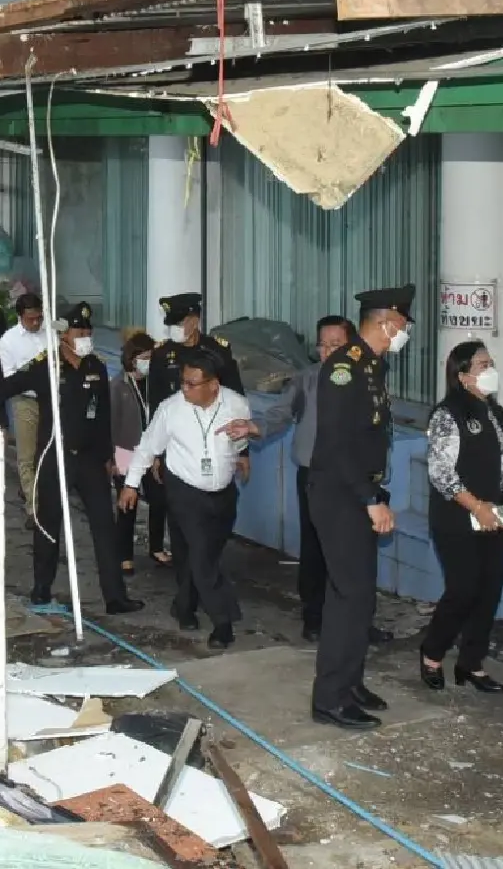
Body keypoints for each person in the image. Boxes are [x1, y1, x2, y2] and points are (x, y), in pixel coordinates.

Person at [308, 284, 414, 730]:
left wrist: (375, 491)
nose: (405, 333)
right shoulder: (344, 369)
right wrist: (370, 499)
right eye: (403, 325)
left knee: (357, 598)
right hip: (339, 495)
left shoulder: (371, 367)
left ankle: (349, 683)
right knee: (349, 597)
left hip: (356, 491)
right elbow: (336, 444)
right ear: (387, 322)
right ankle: (330, 698)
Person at [0, 303, 145, 615]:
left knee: (104, 528)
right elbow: (8, 386)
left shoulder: (97, 366)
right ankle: (41, 590)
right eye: (80, 331)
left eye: (88, 331)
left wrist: (109, 457)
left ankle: (115, 597)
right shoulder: (46, 366)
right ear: (64, 334)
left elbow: (104, 415)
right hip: (56, 457)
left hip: (91, 460)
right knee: (47, 525)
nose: (86, 336)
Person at [261, 316, 391, 646]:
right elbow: (280, 414)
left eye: (336, 344)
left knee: (359, 556)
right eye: (323, 344)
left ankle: (359, 620)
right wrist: (254, 429)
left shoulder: (368, 376)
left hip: (360, 480)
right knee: (317, 548)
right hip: (318, 478)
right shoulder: (307, 380)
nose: (328, 350)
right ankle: (314, 616)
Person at [121, 347, 255, 650]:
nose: (185, 389)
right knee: (203, 555)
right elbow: (147, 447)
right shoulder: (172, 409)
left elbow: (241, 441)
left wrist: (242, 453)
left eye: (191, 384)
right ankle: (223, 622)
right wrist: (130, 485)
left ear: (213, 384)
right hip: (185, 490)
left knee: (198, 556)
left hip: (223, 493)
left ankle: (184, 606)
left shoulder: (237, 405)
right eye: (183, 382)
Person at [419, 340, 503, 695]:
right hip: (458, 517)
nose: (490, 370)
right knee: (463, 589)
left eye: (491, 363)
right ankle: (432, 653)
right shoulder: (448, 414)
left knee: (489, 591)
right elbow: (442, 472)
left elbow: (497, 456)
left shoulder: (497, 411)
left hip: (495, 515)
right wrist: (477, 506)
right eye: (482, 365)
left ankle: (471, 663)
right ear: (462, 376)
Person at [110, 330, 170, 574]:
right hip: (125, 451)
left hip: (151, 453)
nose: (147, 362)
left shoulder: (154, 385)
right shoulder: (118, 385)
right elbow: (111, 423)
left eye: (150, 357)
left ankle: (156, 546)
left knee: (159, 499)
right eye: (143, 357)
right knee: (127, 505)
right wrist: (112, 458)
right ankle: (124, 554)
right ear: (132, 358)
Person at [0, 293, 50, 518]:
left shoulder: (51, 334)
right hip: (24, 400)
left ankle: (47, 501)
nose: (36, 323)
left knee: (47, 452)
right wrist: (32, 371)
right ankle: (33, 508)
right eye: (31, 319)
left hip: (50, 400)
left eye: (39, 318)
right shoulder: (9, 340)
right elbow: (9, 378)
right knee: (27, 455)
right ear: (20, 316)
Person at [145, 293, 242, 412]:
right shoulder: (161, 354)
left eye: (179, 324)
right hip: (174, 422)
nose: (174, 329)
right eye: (171, 325)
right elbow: (155, 401)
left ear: (195, 321)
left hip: (210, 421)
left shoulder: (217, 350)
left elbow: (235, 395)